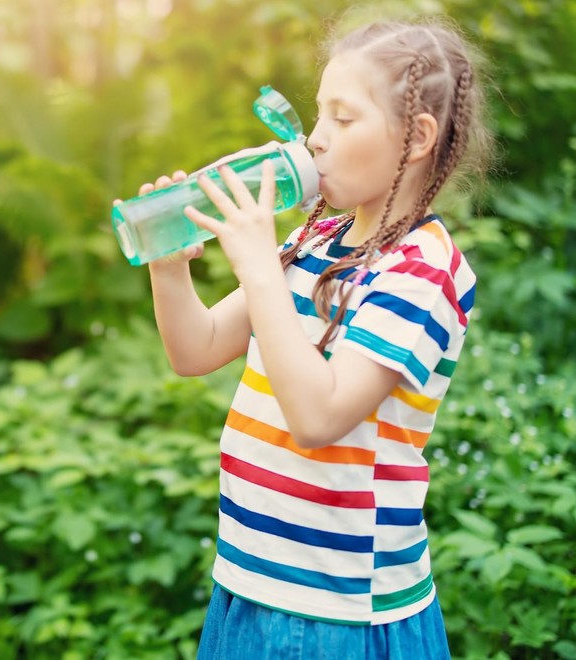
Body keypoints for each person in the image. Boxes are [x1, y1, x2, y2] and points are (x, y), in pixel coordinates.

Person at [141, 18, 493, 659]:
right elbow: (195, 349)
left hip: (336, 611)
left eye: (343, 118)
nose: (315, 139)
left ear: (415, 138)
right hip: (251, 578)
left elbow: (319, 415)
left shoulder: (422, 270)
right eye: (317, 116)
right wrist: (169, 267)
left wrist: (254, 264)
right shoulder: (313, 242)